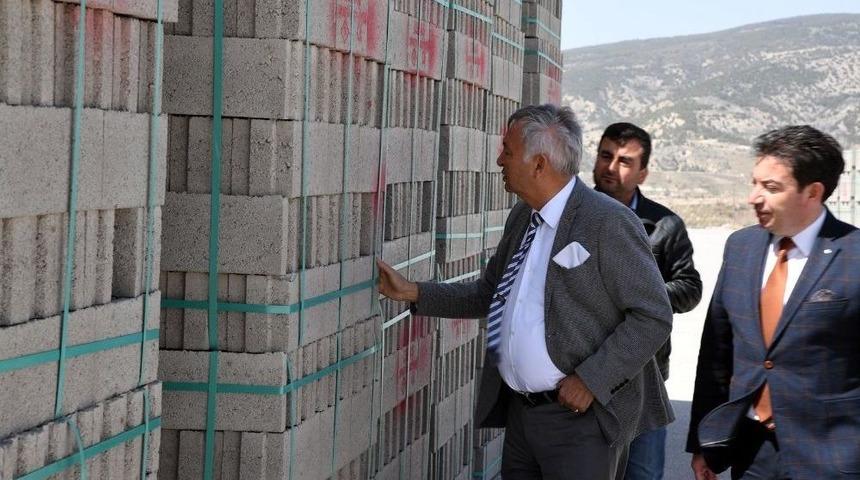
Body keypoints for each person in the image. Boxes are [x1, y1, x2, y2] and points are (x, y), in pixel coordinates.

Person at [376, 104, 674, 480]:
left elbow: (654, 316)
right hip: (522, 419)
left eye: (508, 151)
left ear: (539, 164)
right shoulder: (524, 218)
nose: (500, 159)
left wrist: (592, 380)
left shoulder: (607, 222)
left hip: (579, 423)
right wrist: (414, 293)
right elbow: (490, 294)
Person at [686, 125, 860, 479]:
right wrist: (705, 442)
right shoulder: (740, 247)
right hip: (751, 453)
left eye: (771, 187)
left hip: (832, 458)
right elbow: (716, 353)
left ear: (812, 192)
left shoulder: (853, 256)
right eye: (754, 183)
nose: (754, 197)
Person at [593, 122, 702, 480]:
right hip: (581, 373)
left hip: (644, 378)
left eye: (625, 161)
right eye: (606, 155)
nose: (611, 167)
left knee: (642, 472)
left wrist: (640, 300)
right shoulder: (572, 215)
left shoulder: (665, 226)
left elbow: (690, 288)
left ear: (643, 172)